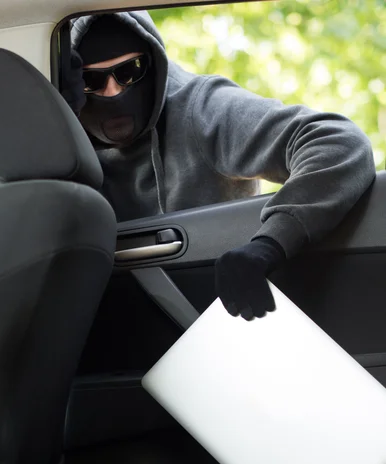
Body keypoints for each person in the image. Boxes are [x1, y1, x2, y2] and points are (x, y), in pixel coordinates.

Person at [63, 11, 376, 320]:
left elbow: (338, 142)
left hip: (213, 316)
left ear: (153, 62)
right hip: (105, 321)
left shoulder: (199, 111)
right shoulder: (59, 137)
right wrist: (60, 122)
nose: (114, 91)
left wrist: (270, 244)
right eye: (93, 80)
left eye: (130, 71)